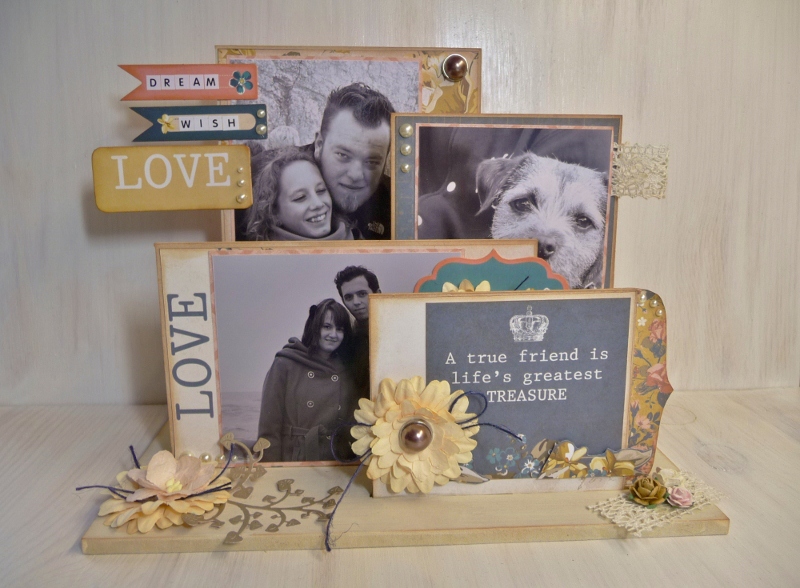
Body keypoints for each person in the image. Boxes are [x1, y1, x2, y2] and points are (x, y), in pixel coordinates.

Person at [258, 299, 357, 462]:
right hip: (295, 457)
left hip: (335, 459)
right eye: (327, 327)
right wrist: (271, 468)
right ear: (314, 327)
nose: (333, 335)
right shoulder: (285, 364)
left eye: (339, 329)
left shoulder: (347, 369)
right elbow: (270, 426)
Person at [309, 83, 395, 240]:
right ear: (319, 145)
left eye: (371, 162)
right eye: (343, 155)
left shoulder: (397, 207)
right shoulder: (275, 186)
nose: (355, 175)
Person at [243, 147, 355, 241]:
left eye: (321, 191)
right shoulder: (262, 256)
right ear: (274, 212)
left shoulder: (356, 239)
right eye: (300, 197)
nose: (318, 204)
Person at [334, 266, 381, 398]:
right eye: (349, 297)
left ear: (378, 293)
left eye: (362, 294)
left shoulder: (400, 329)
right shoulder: (347, 339)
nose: (356, 302)